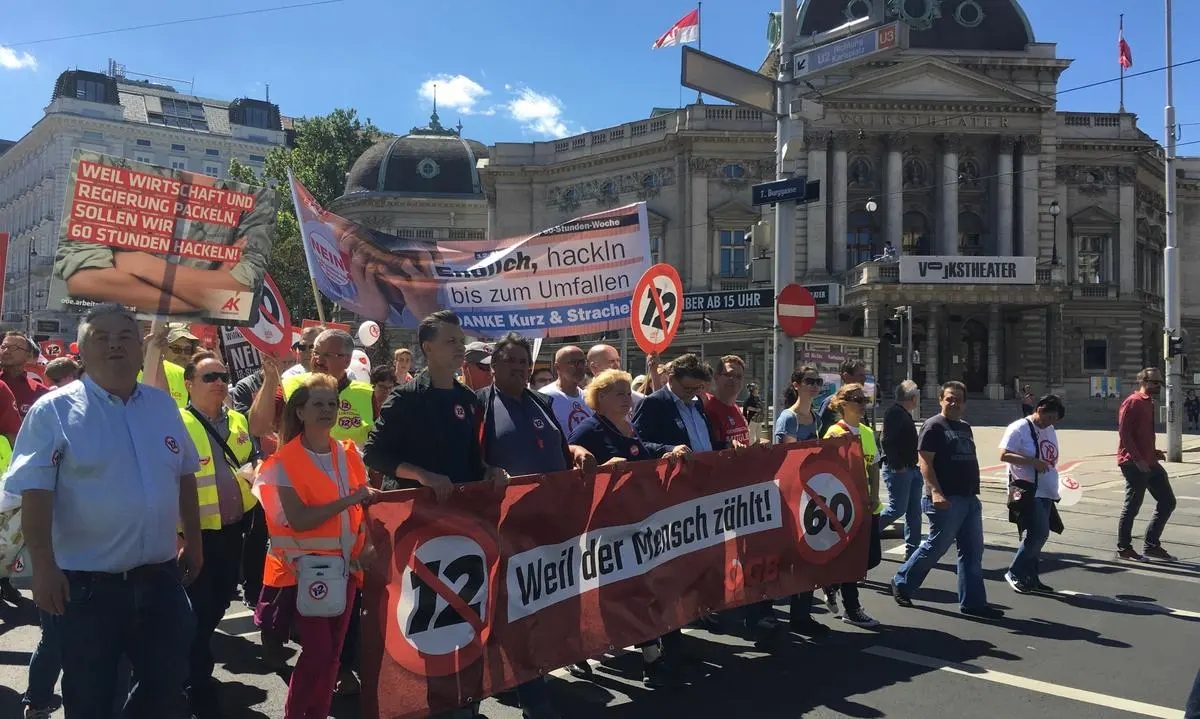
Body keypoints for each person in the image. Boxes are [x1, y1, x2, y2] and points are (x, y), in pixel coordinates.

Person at [7, 302, 202, 718]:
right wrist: (43, 566)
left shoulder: (162, 407)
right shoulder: (54, 411)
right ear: (82, 350)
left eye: (125, 336)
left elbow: (185, 474)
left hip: (160, 579)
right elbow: (36, 491)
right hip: (87, 589)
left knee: (166, 685)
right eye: (102, 338)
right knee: (91, 697)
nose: (115, 345)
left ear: (141, 347)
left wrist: (195, 541)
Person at [478, 333, 594, 717]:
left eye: (524, 362)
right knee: (508, 614)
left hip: (551, 525)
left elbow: (560, 447)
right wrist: (487, 471)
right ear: (493, 365)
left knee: (540, 609)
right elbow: (464, 461)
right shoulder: (478, 405)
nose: (519, 368)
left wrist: (574, 450)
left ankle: (528, 684)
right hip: (503, 530)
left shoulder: (542, 403)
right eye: (510, 360)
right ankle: (523, 697)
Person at [253, 373, 376, 719]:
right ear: (301, 412)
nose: (327, 410)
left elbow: (363, 508)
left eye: (332, 403)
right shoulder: (283, 462)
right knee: (319, 653)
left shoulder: (350, 453)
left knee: (334, 656)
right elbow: (301, 520)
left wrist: (367, 546)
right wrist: (349, 499)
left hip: (348, 569)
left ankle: (317, 713)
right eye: (318, 404)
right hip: (305, 571)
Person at [568, 368, 690, 687]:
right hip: (603, 529)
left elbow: (643, 451)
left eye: (627, 392)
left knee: (639, 587)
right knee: (617, 593)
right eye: (619, 393)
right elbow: (568, 471)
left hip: (635, 523)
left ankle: (652, 656)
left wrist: (667, 451)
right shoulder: (588, 431)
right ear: (600, 398)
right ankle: (586, 648)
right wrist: (600, 471)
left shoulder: (628, 427)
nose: (627, 399)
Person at [53, 156, 274, 316]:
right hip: (109, 324)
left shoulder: (255, 197)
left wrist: (141, 264)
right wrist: (204, 298)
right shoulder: (107, 165)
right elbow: (85, 280)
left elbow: (241, 295)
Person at [180, 351, 259, 717]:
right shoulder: (175, 423)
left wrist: (253, 473)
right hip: (194, 537)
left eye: (223, 375)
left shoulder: (238, 419)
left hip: (233, 532)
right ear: (189, 384)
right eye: (210, 377)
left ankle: (193, 670)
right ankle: (194, 679)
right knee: (194, 611)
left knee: (217, 605)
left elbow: (248, 461)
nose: (220, 382)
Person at [891, 381, 1004, 619]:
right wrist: (936, 492)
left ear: (964, 403)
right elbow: (925, 463)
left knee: (972, 551)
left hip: (969, 498)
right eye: (949, 398)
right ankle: (902, 582)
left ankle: (973, 603)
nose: (954, 403)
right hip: (945, 498)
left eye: (959, 399)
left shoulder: (964, 427)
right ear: (941, 399)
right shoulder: (933, 426)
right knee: (936, 547)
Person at [363, 310, 506, 496]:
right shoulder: (405, 398)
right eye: (450, 341)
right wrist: (421, 475)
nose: (460, 348)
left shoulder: (468, 399)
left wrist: (489, 471)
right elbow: (373, 455)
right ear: (428, 348)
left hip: (461, 509)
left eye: (461, 341)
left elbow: (472, 457)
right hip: (416, 512)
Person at [772, 366, 830, 636]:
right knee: (794, 557)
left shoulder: (816, 419)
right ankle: (781, 615)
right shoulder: (788, 418)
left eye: (818, 382)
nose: (815, 386)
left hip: (812, 495)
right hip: (792, 496)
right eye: (809, 381)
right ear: (796, 384)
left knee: (810, 557)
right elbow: (790, 458)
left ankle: (802, 614)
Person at [821, 384, 882, 628]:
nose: (862, 404)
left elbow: (874, 466)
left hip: (867, 504)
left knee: (872, 558)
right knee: (853, 561)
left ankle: (832, 581)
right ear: (843, 404)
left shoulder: (866, 432)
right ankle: (852, 608)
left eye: (864, 400)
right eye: (857, 400)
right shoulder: (834, 432)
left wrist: (875, 495)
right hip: (846, 507)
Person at [1001, 394, 1066, 594]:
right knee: (1039, 533)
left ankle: (1031, 577)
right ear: (1038, 410)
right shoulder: (1019, 428)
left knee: (1036, 535)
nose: (1050, 423)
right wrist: (1032, 461)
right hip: (1028, 489)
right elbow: (1004, 454)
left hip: (1046, 489)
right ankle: (1015, 572)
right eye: (1049, 418)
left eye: (1055, 420)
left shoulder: (1050, 429)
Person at [1116, 367, 1177, 562]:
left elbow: (1143, 434)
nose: (1157, 386)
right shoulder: (1133, 402)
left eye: (1159, 382)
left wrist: (1154, 452)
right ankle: (1124, 548)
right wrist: (1138, 458)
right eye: (1154, 382)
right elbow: (1125, 434)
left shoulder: (1149, 403)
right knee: (1132, 506)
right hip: (1133, 463)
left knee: (1167, 501)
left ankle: (1151, 544)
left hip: (1149, 461)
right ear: (1142, 381)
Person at [632, 354, 725, 454]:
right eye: (687, 389)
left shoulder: (697, 402)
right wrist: (670, 449)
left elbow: (706, 443)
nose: (692, 393)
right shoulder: (653, 403)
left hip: (706, 467)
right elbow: (637, 444)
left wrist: (726, 445)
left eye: (697, 388)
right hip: (675, 468)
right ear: (671, 379)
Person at [880, 380, 923, 559]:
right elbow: (886, 441)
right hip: (900, 470)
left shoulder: (901, 413)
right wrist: (898, 466)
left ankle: (912, 549)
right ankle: (865, 533)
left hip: (910, 468)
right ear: (912, 398)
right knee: (897, 508)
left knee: (914, 511)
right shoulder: (895, 413)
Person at [539, 346, 594, 436]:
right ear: (558, 367)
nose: (580, 367)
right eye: (573, 363)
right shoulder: (545, 397)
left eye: (582, 362)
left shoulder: (588, 397)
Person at [705, 355, 752, 447]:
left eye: (738, 376)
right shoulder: (710, 410)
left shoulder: (736, 408)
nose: (733, 380)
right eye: (729, 375)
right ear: (716, 377)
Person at [0, 331, 50, 416]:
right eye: (3, 347)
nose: (6, 351)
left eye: (13, 348)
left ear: (28, 356)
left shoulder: (40, 392)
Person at [817, 359, 869, 435]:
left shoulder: (861, 401)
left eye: (864, 400)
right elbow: (821, 433)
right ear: (846, 376)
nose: (864, 379)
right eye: (860, 375)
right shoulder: (831, 402)